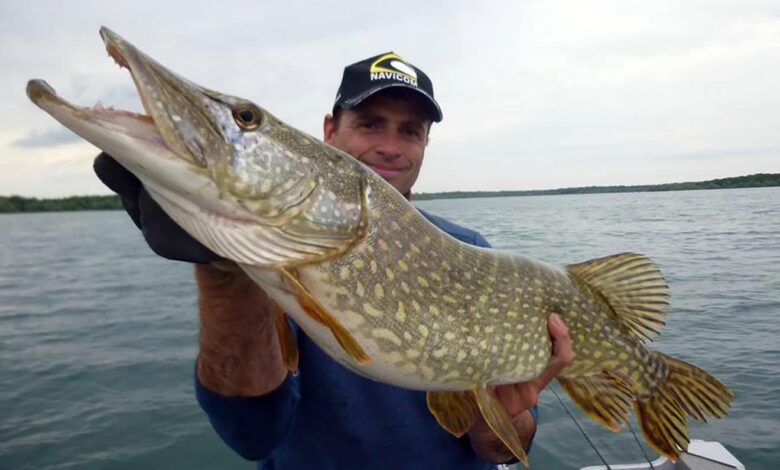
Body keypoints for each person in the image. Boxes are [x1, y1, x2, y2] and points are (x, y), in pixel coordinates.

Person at [94, 52, 574, 469]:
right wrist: (223, 275)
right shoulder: (271, 263)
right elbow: (251, 434)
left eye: (410, 131)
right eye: (369, 124)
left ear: (425, 146)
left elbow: (502, 450)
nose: (389, 146)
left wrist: (501, 419)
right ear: (328, 132)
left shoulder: (471, 250)